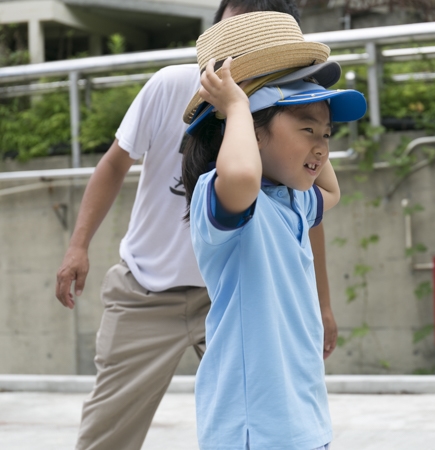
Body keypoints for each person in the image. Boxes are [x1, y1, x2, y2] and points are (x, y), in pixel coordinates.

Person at [54, 2, 337, 449]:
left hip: (232, 297)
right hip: (149, 289)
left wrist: (323, 303)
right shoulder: (180, 94)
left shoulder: (286, 178)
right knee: (107, 434)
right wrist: (78, 245)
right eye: (238, 26)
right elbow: (113, 164)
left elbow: (312, 209)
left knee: (273, 393)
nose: (320, 141)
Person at [180, 14, 367, 448]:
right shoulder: (226, 200)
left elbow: (331, 190)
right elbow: (244, 173)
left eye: (328, 133)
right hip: (252, 427)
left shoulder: (293, 200)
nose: (322, 145)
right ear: (248, 130)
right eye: (306, 128)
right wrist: (238, 107)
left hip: (303, 421)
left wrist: (308, 129)